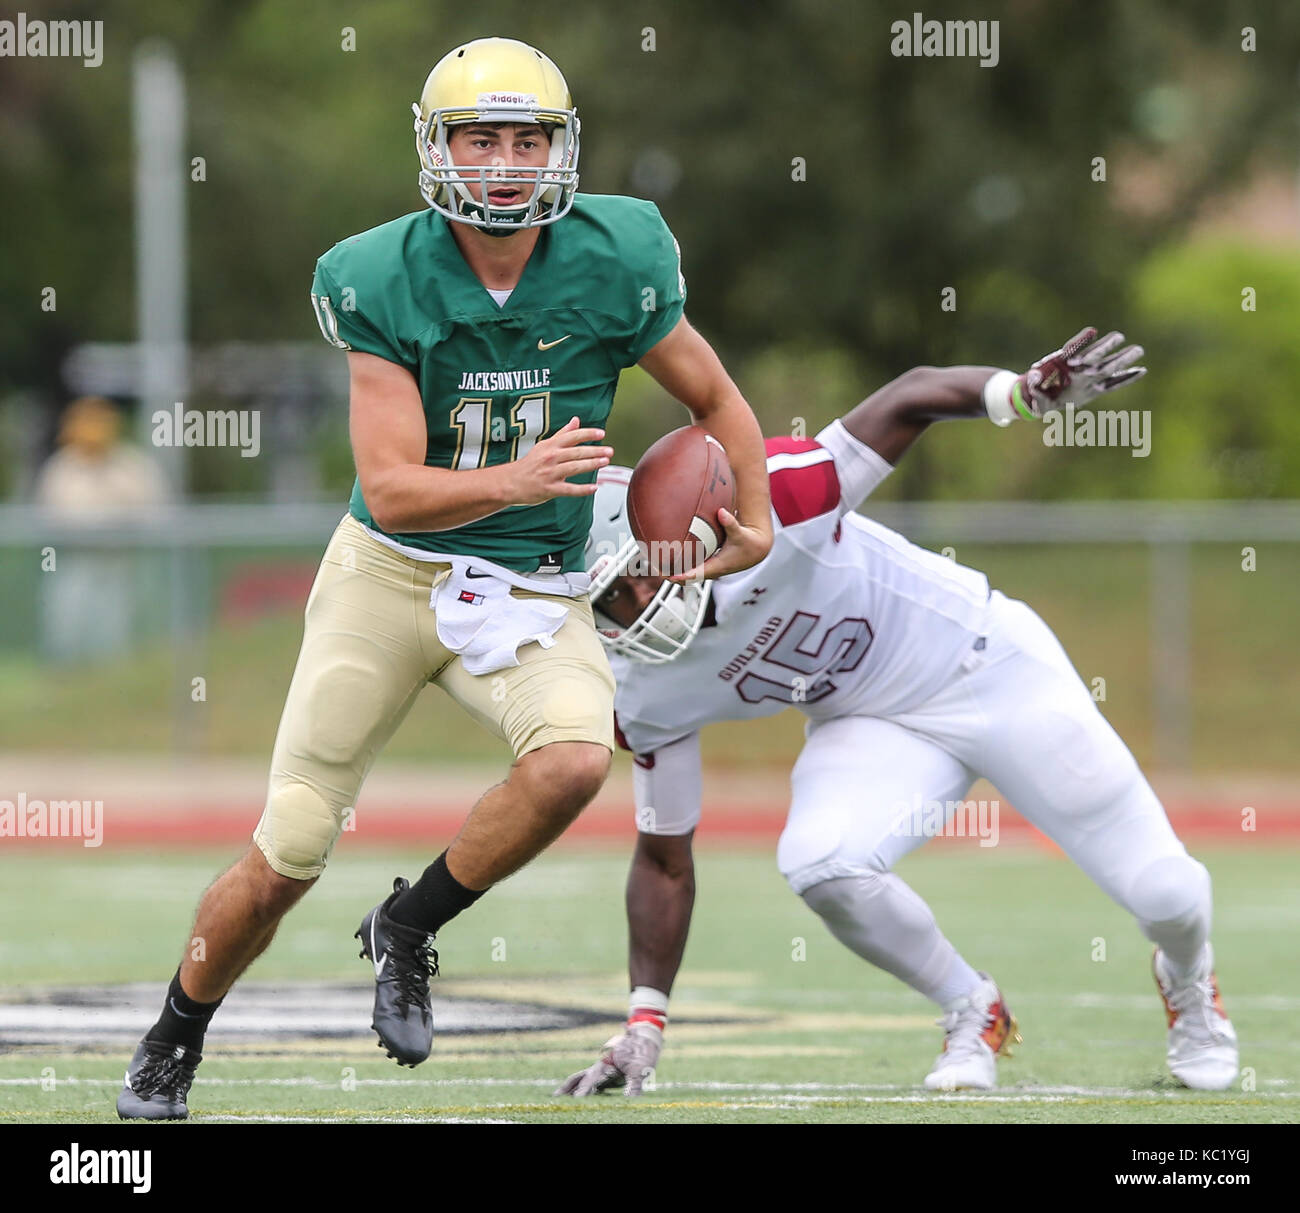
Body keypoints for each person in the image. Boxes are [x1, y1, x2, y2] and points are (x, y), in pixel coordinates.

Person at [117, 36, 772, 1120]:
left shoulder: (618, 253)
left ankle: (408, 925)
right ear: (438, 148)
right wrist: (523, 477)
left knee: (570, 764)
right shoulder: (377, 272)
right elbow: (393, 486)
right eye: (483, 138)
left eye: (528, 139)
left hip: (529, 584)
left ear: (561, 150)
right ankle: (174, 1032)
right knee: (288, 849)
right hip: (391, 573)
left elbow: (718, 400)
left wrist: (748, 515)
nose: (507, 162)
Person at [557, 328, 1239, 1096]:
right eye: (612, 598)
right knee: (821, 860)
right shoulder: (637, 685)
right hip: (869, 723)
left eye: (644, 575)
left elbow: (912, 394)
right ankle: (971, 1007)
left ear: (686, 531)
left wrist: (1018, 393)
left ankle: (1188, 979)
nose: (637, 608)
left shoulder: (773, 498)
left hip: (986, 663)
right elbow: (663, 856)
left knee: (1169, 895)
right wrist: (644, 1022)